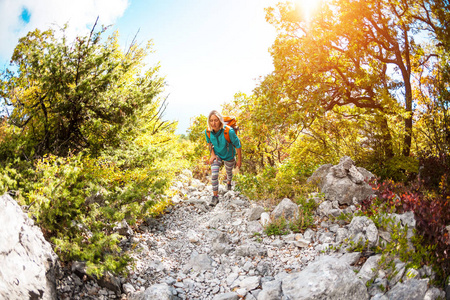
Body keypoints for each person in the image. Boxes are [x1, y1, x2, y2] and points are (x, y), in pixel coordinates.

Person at [205, 110, 242, 206]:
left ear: (220, 121)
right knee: (214, 174)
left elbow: (238, 145)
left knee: (229, 171)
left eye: (216, 120)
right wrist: (212, 154)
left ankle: (229, 183)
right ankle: (215, 197)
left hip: (229, 155)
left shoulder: (228, 131)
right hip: (217, 155)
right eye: (211, 120)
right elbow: (209, 143)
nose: (213, 123)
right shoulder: (208, 131)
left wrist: (239, 160)